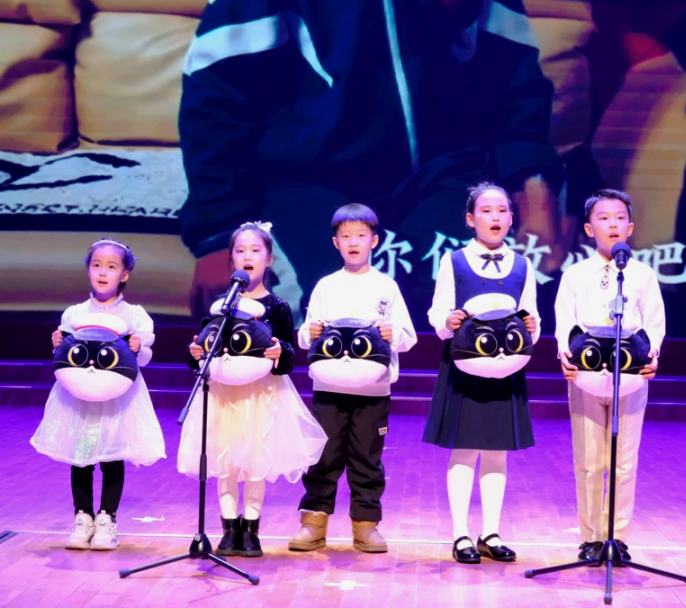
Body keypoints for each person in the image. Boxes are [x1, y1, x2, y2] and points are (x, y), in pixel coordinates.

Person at [177, 0, 567, 326]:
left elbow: (514, 78)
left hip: (445, 171)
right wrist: (220, 235)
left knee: (488, 307)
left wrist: (534, 189)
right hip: (306, 177)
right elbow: (217, 97)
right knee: (322, 316)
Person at [178, 222, 327, 558]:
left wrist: (279, 352)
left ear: (269, 259)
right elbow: (203, 350)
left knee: (257, 461)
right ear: (232, 260)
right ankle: (228, 529)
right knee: (226, 462)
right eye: (241, 250)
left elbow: (288, 357)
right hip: (222, 396)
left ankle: (251, 528)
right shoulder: (220, 306)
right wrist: (195, 352)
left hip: (262, 396)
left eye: (255, 250)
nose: (248, 256)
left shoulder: (277, 306)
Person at [290, 203, 417, 553]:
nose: (353, 242)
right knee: (323, 455)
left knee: (366, 458)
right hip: (328, 389)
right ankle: (313, 523)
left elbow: (408, 337)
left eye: (361, 235)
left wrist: (392, 334)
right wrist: (312, 331)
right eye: (346, 236)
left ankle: (365, 525)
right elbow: (304, 338)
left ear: (374, 240)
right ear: (336, 243)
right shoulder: (326, 286)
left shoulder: (386, 286)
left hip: (373, 391)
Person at [423, 182, 540, 564]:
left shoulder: (522, 264)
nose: (495, 216)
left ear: (511, 217)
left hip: (506, 367)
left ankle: (491, 532)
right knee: (464, 449)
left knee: (497, 451)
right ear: (470, 219)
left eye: (502, 210)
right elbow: (438, 311)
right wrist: (448, 320)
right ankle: (460, 534)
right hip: (465, 365)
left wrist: (532, 327)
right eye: (486, 211)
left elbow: (531, 317)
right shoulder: (454, 260)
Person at [31, 238, 166, 551]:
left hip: (118, 403)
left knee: (112, 456)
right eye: (96, 265)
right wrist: (57, 345)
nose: (103, 272)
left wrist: (138, 348)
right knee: (82, 457)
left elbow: (144, 359)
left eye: (111, 266)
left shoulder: (134, 316)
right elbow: (66, 359)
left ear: (124, 274)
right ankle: (82, 517)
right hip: (82, 404)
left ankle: (107, 518)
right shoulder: (75, 314)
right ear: (88, 269)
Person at [554, 189, 664, 564]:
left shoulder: (643, 275)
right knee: (589, 461)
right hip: (586, 377)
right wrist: (564, 354)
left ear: (630, 228)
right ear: (589, 229)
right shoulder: (575, 274)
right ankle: (590, 538)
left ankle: (617, 537)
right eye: (603, 218)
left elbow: (654, 323)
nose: (612, 224)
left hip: (629, 376)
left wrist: (653, 354)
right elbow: (565, 321)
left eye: (619, 218)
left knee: (624, 462)